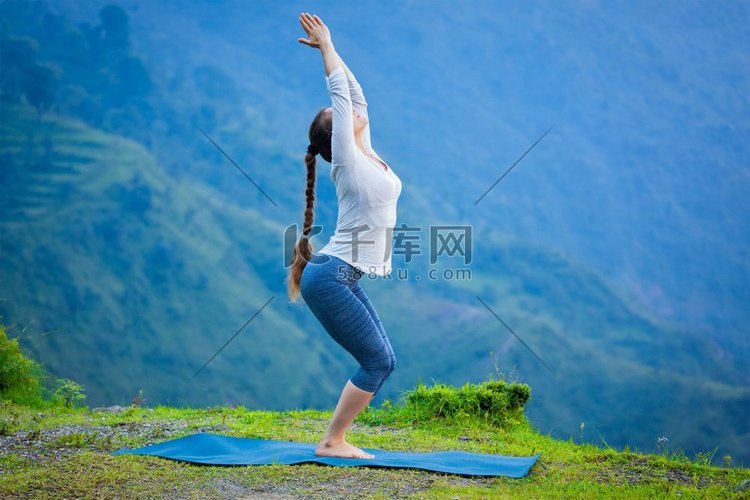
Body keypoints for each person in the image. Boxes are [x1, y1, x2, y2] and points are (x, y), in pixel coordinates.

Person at [287, 12, 403, 460]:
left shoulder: (363, 150)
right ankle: (332, 441)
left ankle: (334, 438)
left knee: (384, 361)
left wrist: (332, 52)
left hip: (340, 276)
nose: (355, 113)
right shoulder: (349, 164)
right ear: (339, 134)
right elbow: (340, 93)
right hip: (330, 278)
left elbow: (354, 94)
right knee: (376, 362)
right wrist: (328, 46)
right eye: (343, 115)